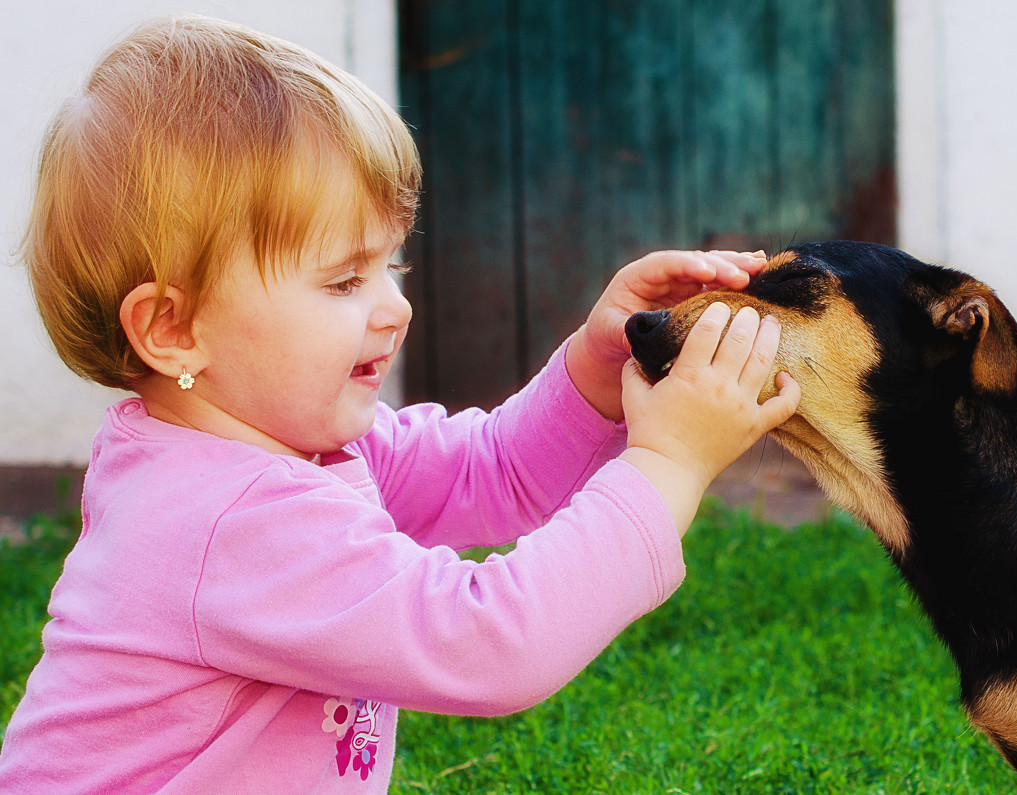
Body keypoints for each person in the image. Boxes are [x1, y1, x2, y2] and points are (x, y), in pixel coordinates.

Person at [0, 14, 800, 793]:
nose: (394, 307)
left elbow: (495, 472)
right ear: (173, 329)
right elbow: (491, 644)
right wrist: (667, 463)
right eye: (344, 280)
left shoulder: (291, 442)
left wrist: (596, 363)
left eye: (392, 266)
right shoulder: (225, 517)